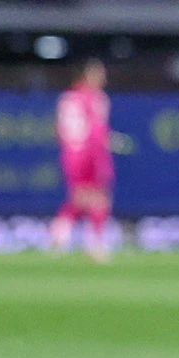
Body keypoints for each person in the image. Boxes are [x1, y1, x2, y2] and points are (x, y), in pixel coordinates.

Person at [48, 59, 119, 262]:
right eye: (99, 73)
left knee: (80, 198)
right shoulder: (95, 98)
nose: (103, 77)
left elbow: (59, 130)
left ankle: (59, 234)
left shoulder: (68, 97)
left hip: (71, 153)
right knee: (98, 199)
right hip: (89, 153)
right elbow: (96, 131)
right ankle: (94, 244)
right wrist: (105, 142)